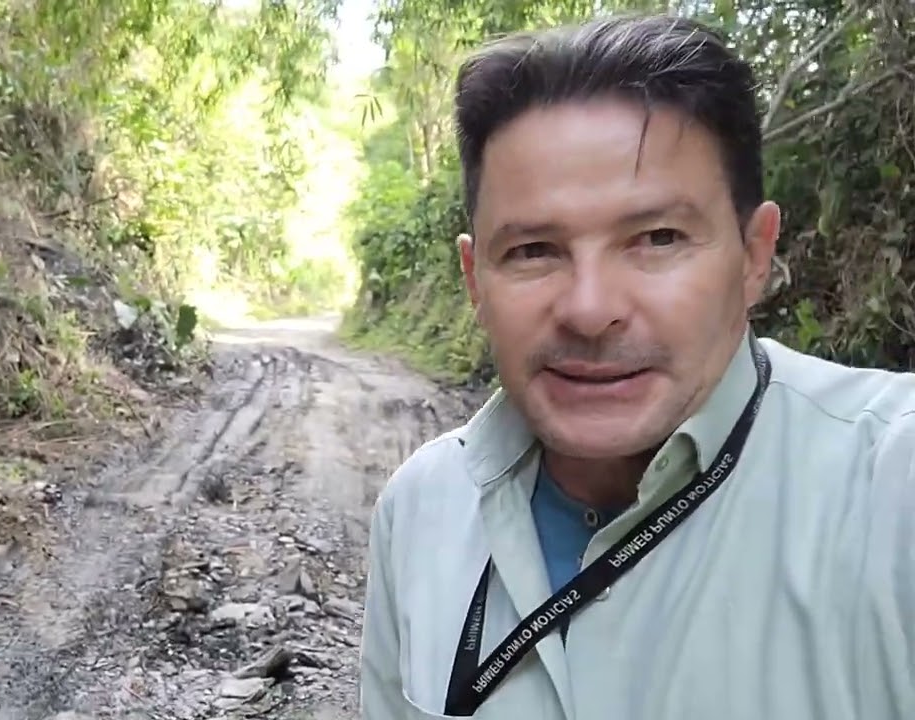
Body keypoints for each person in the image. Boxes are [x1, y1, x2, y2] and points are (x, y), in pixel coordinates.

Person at [359, 13, 915, 720]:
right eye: (533, 250)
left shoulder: (889, 489)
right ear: (475, 280)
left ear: (753, 256)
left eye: (657, 238)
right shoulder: (419, 510)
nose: (590, 310)